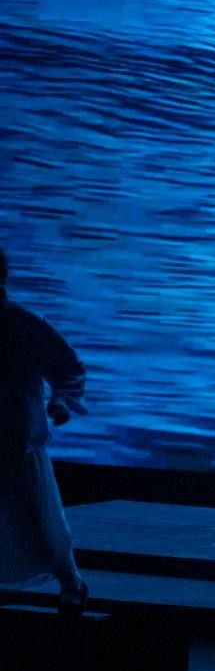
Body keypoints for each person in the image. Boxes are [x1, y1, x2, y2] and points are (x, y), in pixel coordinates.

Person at [0, 247, 89, 613]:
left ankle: (71, 582)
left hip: (19, 440)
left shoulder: (25, 324)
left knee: (40, 521)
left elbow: (68, 366)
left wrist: (61, 401)